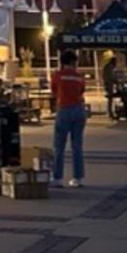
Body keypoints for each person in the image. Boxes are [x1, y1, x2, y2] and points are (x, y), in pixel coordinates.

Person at [51, 50, 87, 188]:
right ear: (73, 62)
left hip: (64, 109)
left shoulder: (58, 75)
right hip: (79, 110)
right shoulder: (79, 76)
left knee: (59, 146)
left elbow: (54, 90)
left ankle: (58, 178)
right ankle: (78, 178)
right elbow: (82, 90)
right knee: (77, 146)